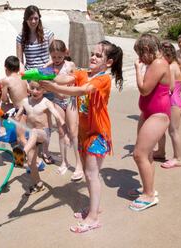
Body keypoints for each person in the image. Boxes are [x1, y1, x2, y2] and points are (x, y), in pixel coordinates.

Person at [40, 40, 123, 233]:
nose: (93, 57)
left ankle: (93, 217)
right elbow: (64, 78)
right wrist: (39, 74)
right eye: (92, 53)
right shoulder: (83, 74)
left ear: (108, 62)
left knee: (93, 175)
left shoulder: (103, 79)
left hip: (98, 134)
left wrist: (53, 88)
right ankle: (93, 207)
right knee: (87, 173)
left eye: (98, 55)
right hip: (85, 133)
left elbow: (82, 90)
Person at [129, 34, 171, 212]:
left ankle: (149, 195)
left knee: (139, 154)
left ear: (147, 50)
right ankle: (148, 188)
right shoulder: (156, 63)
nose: (140, 59)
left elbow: (145, 89)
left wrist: (138, 69)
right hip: (148, 113)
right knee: (147, 155)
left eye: (140, 54)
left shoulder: (159, 63)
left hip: (158, 115)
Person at [16, 5, 55, 164]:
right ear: (25, 20)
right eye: (30, 18)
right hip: (31, 80)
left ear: (39, 19)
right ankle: (29, 146)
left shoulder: (48, 34)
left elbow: (55, 56)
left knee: (46, 118)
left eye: (36, 18)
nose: (33, 21)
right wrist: (25, 80)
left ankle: (45, 151)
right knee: (30, 116)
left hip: (46, 78)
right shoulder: (20, 37)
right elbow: (20, 60)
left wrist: (47, 65)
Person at [12, 81, 65, 195]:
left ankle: (23, 153)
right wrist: (12, 118)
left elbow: (56, 115)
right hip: (32, 136)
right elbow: (18, 116)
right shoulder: (25, 101)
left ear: (44, 90)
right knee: (31, 163)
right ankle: (39, 184)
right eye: (32, 88)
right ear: (28, 88)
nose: (35, 91)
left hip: (43, 133)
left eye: (38, 89)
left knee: (35, 132)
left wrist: (63, 126)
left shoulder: (46, 102)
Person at [45, 39, 83, 180]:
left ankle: (79, 164)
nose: (56, 60)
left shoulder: (70, 65)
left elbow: (75, 80)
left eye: (59, 57)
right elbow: (39, 76)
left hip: (70, 100)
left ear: (65, 53)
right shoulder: (49, 66)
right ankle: (64, 162)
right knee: (61, 133)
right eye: (54, 57)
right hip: (57, 101)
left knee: (73, 132)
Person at [153, 41, 181, 168]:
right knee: (161, 129)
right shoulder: (175, 64)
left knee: (173, 131)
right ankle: (161, 152)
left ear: (166, 55)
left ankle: (178, 158)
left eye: (159, 55)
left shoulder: (171, 67)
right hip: (174, 101)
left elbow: (171, 87)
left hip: (174, 103)